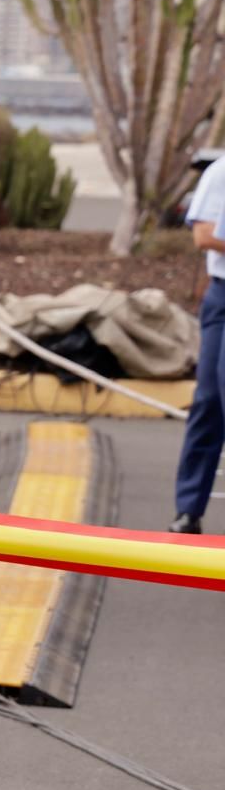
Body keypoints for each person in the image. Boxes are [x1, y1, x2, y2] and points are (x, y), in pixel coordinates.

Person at [169, 154, 225, 534]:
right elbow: (204, 235)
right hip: (222, 296)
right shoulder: (221, 172)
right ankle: (188, 509)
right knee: (208, 400)